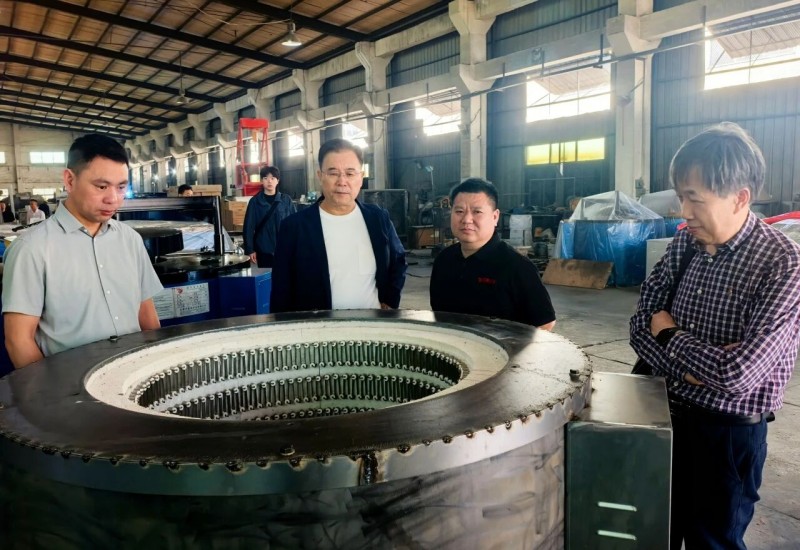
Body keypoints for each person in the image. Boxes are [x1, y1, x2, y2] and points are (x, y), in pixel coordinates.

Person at [629, 123, 800, 549]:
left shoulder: (782, 263)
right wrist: (691, 370)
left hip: (726, 437)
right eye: (681, 197)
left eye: (695, 199)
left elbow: (737, 375)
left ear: (740, 197)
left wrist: (669, 335)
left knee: (713, 542)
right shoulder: (683, 246)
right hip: (664, 417)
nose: (683, 211)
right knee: (654, 532)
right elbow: (639, 327)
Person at [2, 133, 163, 369]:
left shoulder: (130, 240)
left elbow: (147, 314)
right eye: (101, 186)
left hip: (133, 374)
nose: (113, 199)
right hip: (70, 383)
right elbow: (18, 340)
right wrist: (54, 390)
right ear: (69, 180)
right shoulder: (32, 249)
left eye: (121, 187)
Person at [271, 138, 406, 312]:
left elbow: (398, 260)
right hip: (317, 326)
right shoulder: (294, 227)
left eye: (350, 174)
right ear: (320, 176)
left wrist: (391, 300)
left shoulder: (378, 218)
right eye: (333, 173)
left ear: (361, 177)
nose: (342, 181)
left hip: (372, 324)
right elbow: (281, 288)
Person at [429, 178, 556, 330]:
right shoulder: (444, 260)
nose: (466, 219)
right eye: (459, 211)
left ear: (495, 217)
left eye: (477, 212)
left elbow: (545, 322)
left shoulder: (517, 266)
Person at [242, 166, 295, 268]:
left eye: (272, 178)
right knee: (266, 277)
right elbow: (248, 227)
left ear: (277, 181)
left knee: (284, 277)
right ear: (262, 181)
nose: (269, 181)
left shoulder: (286, 200)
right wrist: (250, 249)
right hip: (263, 250)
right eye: (266, 178)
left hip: (285, 249)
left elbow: (295, 225)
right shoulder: (255, 202)